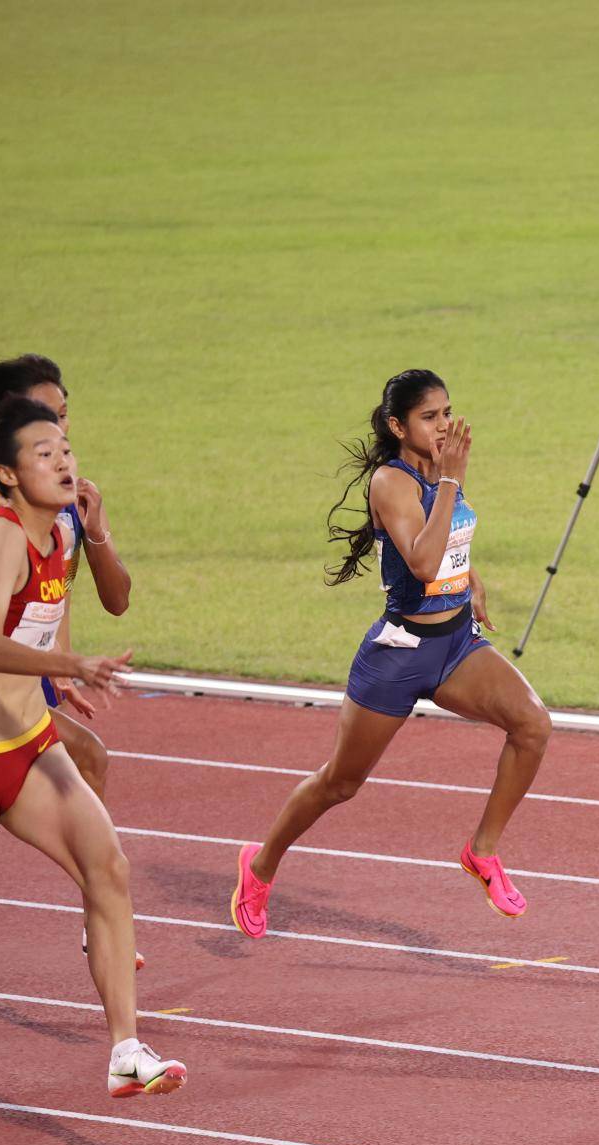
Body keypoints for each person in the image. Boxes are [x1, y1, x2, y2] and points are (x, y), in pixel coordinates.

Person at [231, 370, 551, 936]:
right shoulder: (393, 482)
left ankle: (482, 851)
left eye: (446, 412)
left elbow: (445, 546)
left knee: (532, 725)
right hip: (399, 655)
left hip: (455, 645)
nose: (443, 425)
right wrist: (451, 481)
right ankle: (259, 866)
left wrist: (471, 578)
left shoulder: (440, 469)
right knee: (340, 784)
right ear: (397, 425)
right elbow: (422, 564)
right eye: (429, 417)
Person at [0, 398, 183, 1096]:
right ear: (6, 473)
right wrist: (72, 667)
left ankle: (125, 1048)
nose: (63, 461)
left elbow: (58, 613)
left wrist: (99, 533)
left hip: (29, 746)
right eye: (43, 453)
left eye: (65, 448)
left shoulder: (61, 532)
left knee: (108, 869)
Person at [0, 355, 133, 800]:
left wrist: (96, 531)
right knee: (83, 760)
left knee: (75, 768)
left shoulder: (74, 500)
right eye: (45, 417)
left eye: (62, 415)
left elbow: (115, 601)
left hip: (27, 679)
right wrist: (67, 663)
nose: (59, 429)